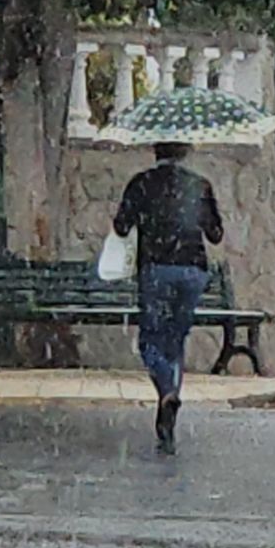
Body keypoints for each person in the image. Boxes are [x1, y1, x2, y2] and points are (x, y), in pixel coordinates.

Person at [113, 142, 224, 455]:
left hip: (157, 268)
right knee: (175, 339)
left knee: (150, 340)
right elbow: (216, 234)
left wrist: (144, 220)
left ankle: (166, 390)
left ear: (155, 151)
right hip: (193, 270)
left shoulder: (141, 183)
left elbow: (121, 227)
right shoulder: (200, 185)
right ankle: (170, 404)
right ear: (184, 152)